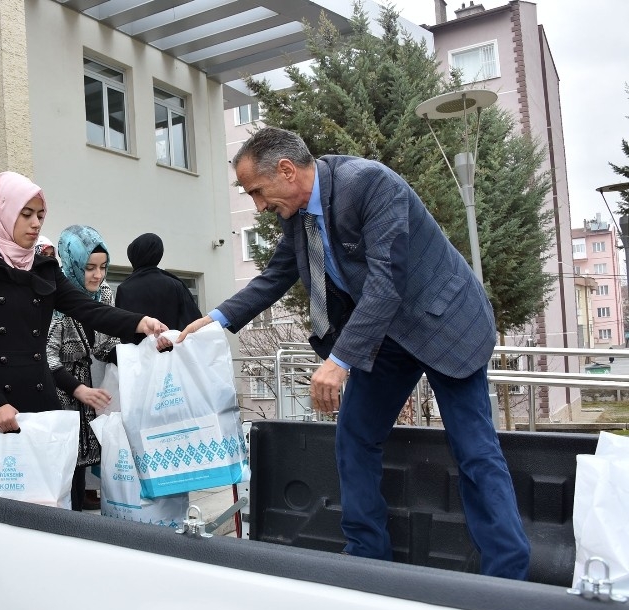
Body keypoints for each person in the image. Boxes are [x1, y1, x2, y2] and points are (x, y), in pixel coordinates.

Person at [177, 127, 530, 580]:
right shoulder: (298, 214)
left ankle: (508, 579)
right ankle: (367, 557)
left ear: (286, 171)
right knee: (354, 437)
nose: (260, 205)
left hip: (445, 323)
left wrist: (339, 361)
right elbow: (276, 274)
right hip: (388, 336)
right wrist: (218, 319)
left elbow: (387, 282)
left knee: (474, 450)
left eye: (258, 192)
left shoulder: (369, 183)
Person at [0, 171, 169, 440]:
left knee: (48, 479)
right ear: (2, 211)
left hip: (38, 398)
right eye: (26, 213)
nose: (36, 223)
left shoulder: (44, 267)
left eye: (40, 215)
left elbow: (88, 309)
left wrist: (139, 322)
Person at [46, 225, 118, 511]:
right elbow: (47, 357)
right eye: (90, 268)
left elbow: (105, 344)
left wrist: (144, 353)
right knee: (62, 468)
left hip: (85, 390)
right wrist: (78, 390)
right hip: (56, 390)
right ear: (73, 263)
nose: (98, 275)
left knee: (79, 466)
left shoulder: (104, 294)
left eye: (103, 267)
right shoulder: (56, 296)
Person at [114, 232, 202, 343]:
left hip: (138, 358)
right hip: (174, 354)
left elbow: (120, 327)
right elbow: (194, 324)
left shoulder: (125, 288)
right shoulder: (175, 285)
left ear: (133, 255)